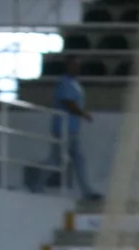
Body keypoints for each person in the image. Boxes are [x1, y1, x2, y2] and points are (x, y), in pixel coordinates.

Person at [48, 56, 99, 199]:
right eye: (74, 65)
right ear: (68, 66)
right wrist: (83, 114)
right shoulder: (64, 83)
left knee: (73, 159)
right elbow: (68, 102)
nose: (77, 68)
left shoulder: (74, 83)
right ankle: (36, 183)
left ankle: (87, 191)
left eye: (78, 65)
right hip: (63, 129)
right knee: (58, 160)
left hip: (72, 129)